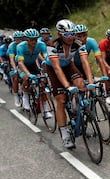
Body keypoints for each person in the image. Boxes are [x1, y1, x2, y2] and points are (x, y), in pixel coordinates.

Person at [45, 19, 94, 149]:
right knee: (61, 100)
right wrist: (67, 86)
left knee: (81, 85)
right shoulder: (52, 45)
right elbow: (56, 68)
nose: (71, 37)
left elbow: (85, 62)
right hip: (53, 69)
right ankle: (65, 133)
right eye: (67, 34)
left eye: (72, 33)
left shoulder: (77, 42)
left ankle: (76, 108)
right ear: (60, 34)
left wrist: (90, 82)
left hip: (68, 65)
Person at [16, 28, 49, 112]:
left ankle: (45, 108)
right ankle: (25, 96)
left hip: (33, 65)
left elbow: (46, 58)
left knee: (42, 84)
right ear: (27, 40)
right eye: (31, 40)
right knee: (26, 79)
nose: (34, 42)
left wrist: (47, 68)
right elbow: (20, 63)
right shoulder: (20, 46)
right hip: (23, 65)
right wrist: (28, 74)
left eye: (35, 39)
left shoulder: (41, 44)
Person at [7, 31, 24, 106]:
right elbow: (12, 60)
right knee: (16, 77)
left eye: (20, 39)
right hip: (14, 61)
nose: (19, 41)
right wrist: (15, 69)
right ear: (14, 39)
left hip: (23, 60)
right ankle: (16, 95)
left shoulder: (25, 44)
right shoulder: (12, 46)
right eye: (17, 39)